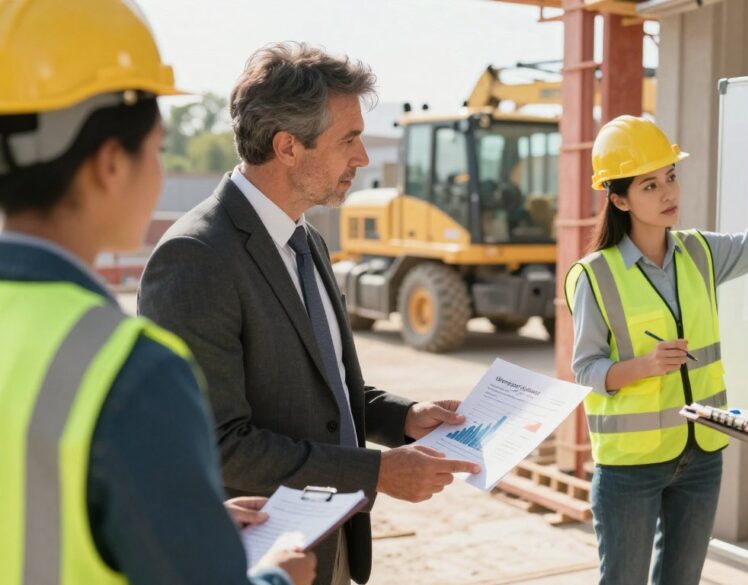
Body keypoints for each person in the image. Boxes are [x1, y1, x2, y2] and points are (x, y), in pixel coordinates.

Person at [138, 42, 479, 585]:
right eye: (349, 139)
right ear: (288, 147)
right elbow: (218, 442)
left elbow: (322, 389)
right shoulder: (196, 258)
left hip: (331, 542)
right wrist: (377, 474)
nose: (363, 158)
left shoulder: (308, 240)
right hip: (257, 555)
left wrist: (402, 417)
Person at [0, 1, 314, 584]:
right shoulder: (130, 370)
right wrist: (276, 577)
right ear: (110, 163)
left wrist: (171, 513)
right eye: (159, 150)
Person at [565, 115, 748, 585]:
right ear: (619, 198)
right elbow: (585, 369)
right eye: (649, 186)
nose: (668, 194)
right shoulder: (594, 276)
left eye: (670, 177)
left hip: (701, 455)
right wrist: (644, 366)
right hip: (630, 466)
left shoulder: (700, 253)